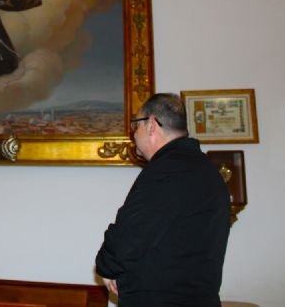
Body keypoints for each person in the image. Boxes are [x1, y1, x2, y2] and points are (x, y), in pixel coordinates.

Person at [95, 93, 230, 307]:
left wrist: (106, 266)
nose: (133, 134)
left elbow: (128, 234)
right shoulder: (206, 170)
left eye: (135, 126)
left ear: (151, 125)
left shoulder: (166, 171)